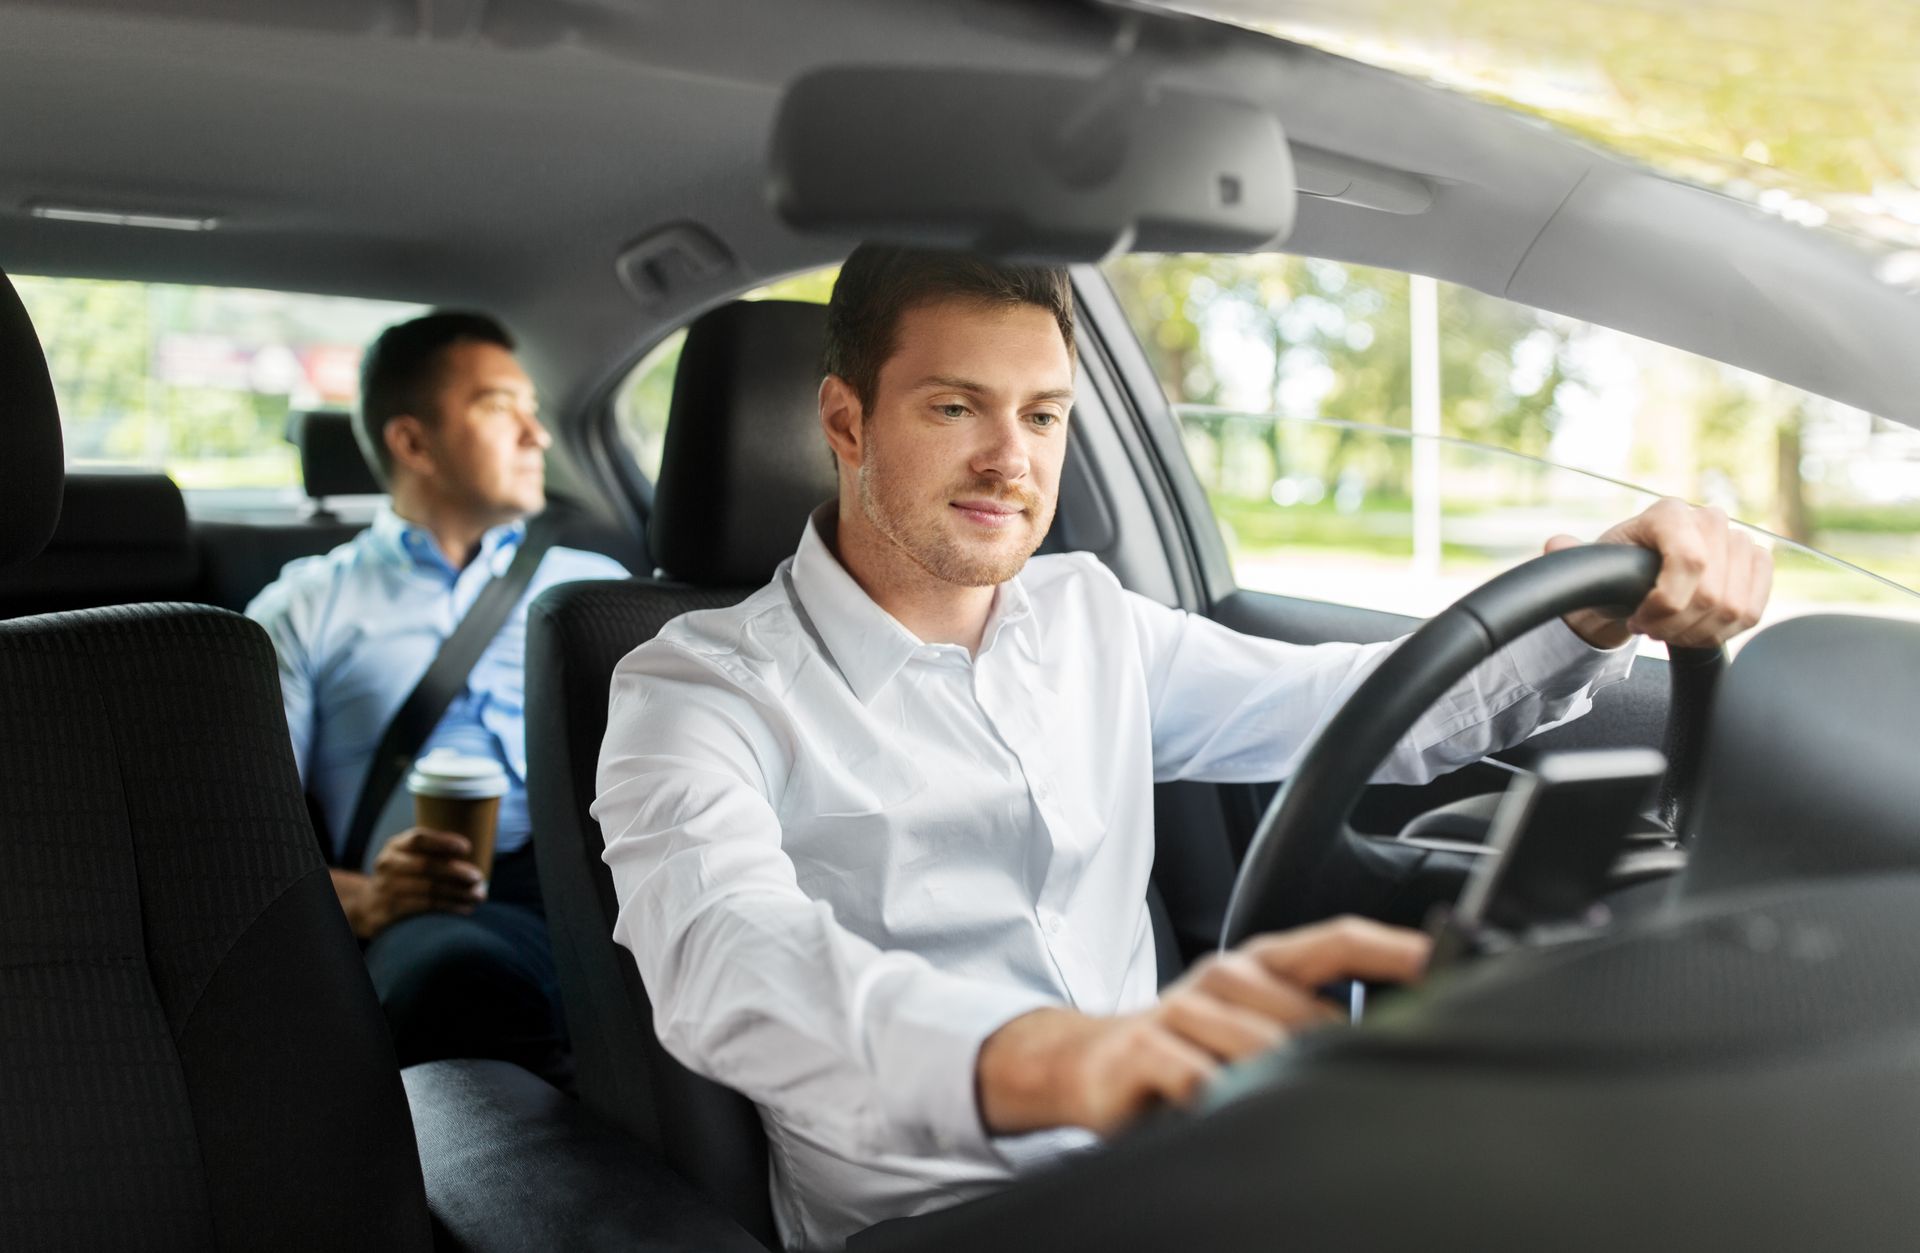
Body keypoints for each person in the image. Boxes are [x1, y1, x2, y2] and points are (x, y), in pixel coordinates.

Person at [592, 248, 1771, 1249]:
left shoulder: (1089, 617)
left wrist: (1586, 611)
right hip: (940, 1216)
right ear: (847, 420)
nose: (1014, 459)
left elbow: (1356, 711)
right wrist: (1063, 1060)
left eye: (1043, 414)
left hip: (1173, 1166)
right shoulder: (692, 687)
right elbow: (729, 953)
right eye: (957, 407)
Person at [249, 311, 627, 1078]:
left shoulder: (600, 590)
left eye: (532, 405)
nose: (537, 434)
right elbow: (240, 842)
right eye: (498, 406)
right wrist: (363, 900)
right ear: (413, 442)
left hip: (608, 887)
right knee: (449, 978)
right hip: (433, 904)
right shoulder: (305, 608)